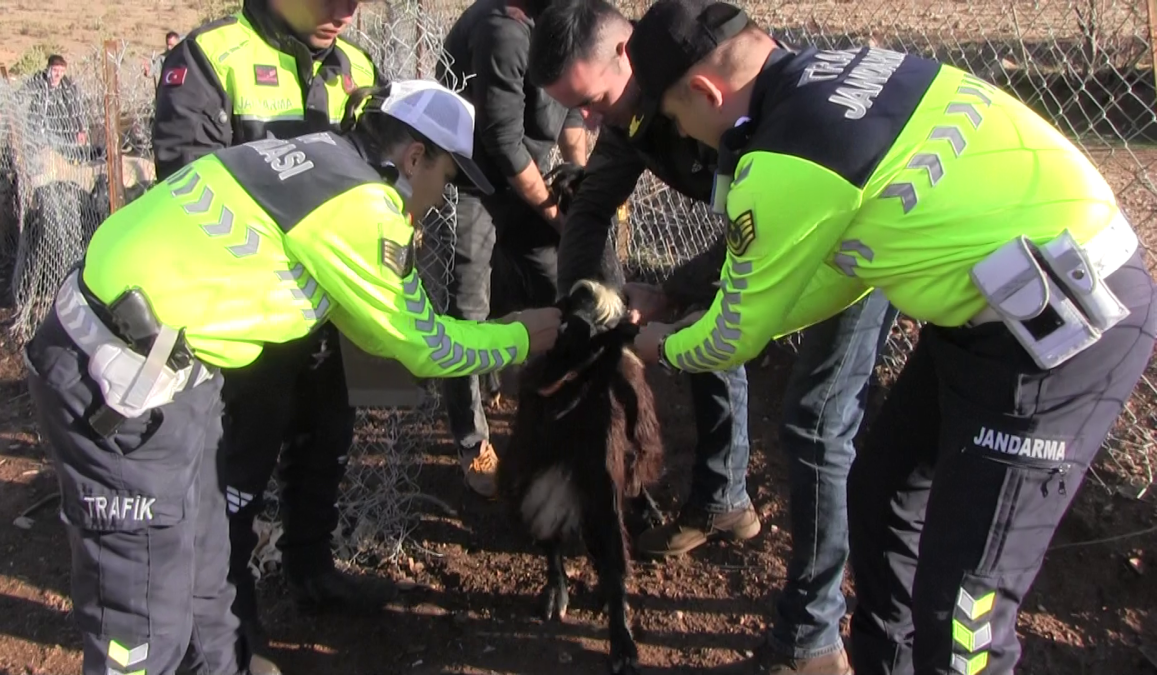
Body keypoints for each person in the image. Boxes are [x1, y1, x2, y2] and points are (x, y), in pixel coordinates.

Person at [623, 1, 1157, 674]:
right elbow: (842, 277)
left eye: (676, 118)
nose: (687, 136)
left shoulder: (783, 161)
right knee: (881, 494)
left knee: (966, 609)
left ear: (705, 91)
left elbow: (732, 337)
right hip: (992, 306)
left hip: (1062, 332)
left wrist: (660, 346)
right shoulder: (853, 67)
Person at [24, 78, 562, 675]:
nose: (441, 198)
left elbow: (367, 322)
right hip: (119, 387)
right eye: (448, 179)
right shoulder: (363, 208)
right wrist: (521, 335)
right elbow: (425, 346)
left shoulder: (313, 157)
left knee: (206, 568)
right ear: (415, 158)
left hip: (164, 363)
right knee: (144, 614)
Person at [528, 2, 896, 671]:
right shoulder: (630, 115)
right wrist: (584, 306)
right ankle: (723, 498)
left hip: (846, 241)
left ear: (628, 56)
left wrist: (673, 289)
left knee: (816, 424)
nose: (584, 123)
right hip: (769, 230)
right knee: (696, 327)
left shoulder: (733, 94)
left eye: (590, 101)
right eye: (571, 111)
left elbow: (776, 223)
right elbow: (589, 209)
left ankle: (813, 636)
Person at [151, 0, 388, 669]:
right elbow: (185, 184)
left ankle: (312, 566)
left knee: (326, 441)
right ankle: (230, 613)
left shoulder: (358, 66)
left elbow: (380, 173)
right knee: (237, 467)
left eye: (354, 0)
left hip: (328, 309)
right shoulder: (209, 56)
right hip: (247, 318)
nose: (343, 12)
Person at [435, 0, 589, 498]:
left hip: (524, 174)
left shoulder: (557, 23)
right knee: (467, 306)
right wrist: (556, 214)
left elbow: (566, 113)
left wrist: (578, 187)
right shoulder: (503, 29)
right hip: (470, 176)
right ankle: (471, 440)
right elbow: (501, 139)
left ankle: (557, 416)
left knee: (556, 289)